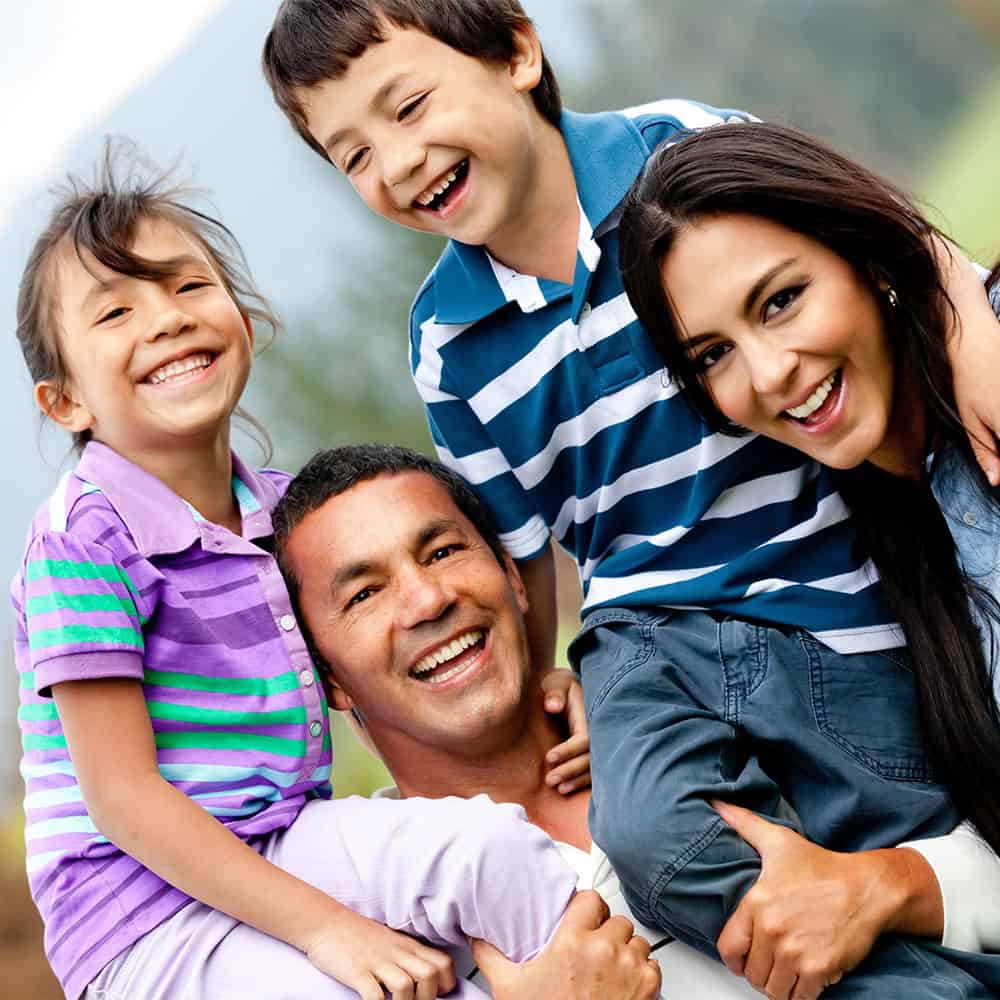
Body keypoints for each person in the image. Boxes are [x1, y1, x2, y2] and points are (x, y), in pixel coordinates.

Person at [262, 0, 1000, 989]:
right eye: (350, 154)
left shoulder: (680, 152)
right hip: (642, 630)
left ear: (518, 52)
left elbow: (865, 225)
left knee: (895, 805)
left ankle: (933, 939)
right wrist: (538, 688)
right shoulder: (448, 347)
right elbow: (514, 551)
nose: (394, 163)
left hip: (821, 587)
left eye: (408, 108)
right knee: (651, 835)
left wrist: (964, 316)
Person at [11, 150, 661, 1000]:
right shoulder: (82, 540)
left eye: (187, 287)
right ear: (67, 403)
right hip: (143, 915)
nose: (165, 320)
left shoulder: (277, 517)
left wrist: (549, 681)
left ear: (246, 321)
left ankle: (611, 978)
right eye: (116, 313)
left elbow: (371, 666)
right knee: (395, 984)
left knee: (489, 850)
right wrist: (330, 929)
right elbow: (123, 799)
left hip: (278, 841)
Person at [617, 120, 1000, 997]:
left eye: (780, 300)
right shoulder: (869, 552)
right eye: (713, 354)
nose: (772, 371)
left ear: (863, 255)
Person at [272, 442, 763, 999]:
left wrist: (877, 887)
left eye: (441, 552)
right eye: (364, 594)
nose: (428, 601)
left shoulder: (706, 700)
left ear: (513, 574)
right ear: (328, 679)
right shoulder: (367, 934)